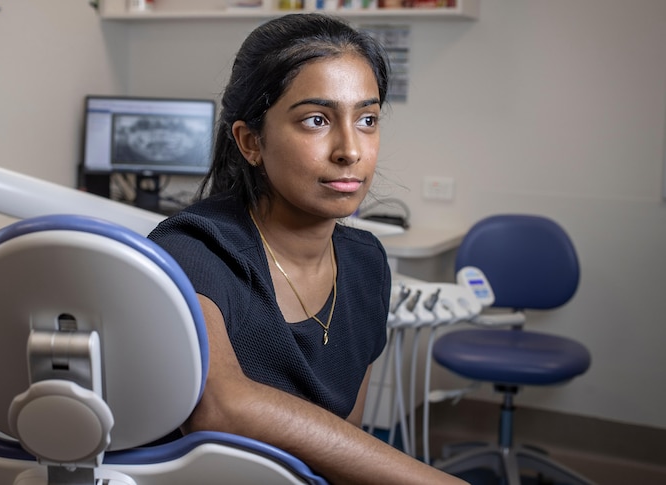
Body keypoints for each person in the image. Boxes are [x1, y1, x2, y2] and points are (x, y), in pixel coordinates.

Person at [147, 13, 465, 484]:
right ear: (251, 141)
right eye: (317, 120)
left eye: (367, 119)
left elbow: (340, 441)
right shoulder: (193, 250)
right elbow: (220, 407)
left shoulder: (365, 263)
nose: (350, 150)